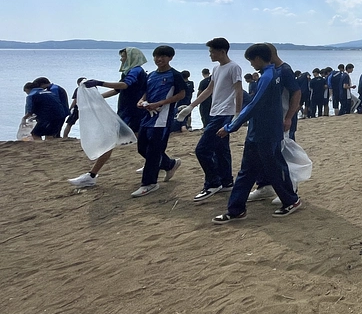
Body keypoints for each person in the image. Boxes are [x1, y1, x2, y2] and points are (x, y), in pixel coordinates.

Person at [212, 44, 302, 223]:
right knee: (247, 171)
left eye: (251, 60)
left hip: (267, 132)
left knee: (274, 168)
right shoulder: (270, 74)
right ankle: (236, 209)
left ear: (259, 58)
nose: (251, 64)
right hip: (258, 130)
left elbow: (255, 104)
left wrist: (231, 126)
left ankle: (291, 200)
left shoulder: (269, 76)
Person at [67, 47, 150, 189]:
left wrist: (99, 83)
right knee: (140, 142)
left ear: (131, 57)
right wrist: (96, 98)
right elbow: (117, 90)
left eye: (123, 57)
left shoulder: (135, 71)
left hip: (133, 113)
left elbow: (124, 85)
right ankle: (160, 163)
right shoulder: (131, 71)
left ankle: (91, 176)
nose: (121, 59)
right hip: (128, 112)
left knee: (114, 141)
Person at [178, 37, 243, 203]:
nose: (210, 55)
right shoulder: (216, 69)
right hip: (215, 112)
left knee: (202, 150)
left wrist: (237, 114)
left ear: (222, 51)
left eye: (212, 51)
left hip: (224, 113)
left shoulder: (234, 67)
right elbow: (209, 90)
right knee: (221, 149)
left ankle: (213, 183)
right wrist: (190, 107)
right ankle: (226, 181)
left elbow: (238, 90)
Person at [130, 45, 185, 198]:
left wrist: (161, 103)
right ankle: (169, 164)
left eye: (163, 56)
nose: (159, 59)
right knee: (142, 148)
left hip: (162, 118)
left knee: (154, 151)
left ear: (170, 58)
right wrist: (141, 101)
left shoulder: (175, 75)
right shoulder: (152, 75)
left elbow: (181, 94)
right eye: (156, 56)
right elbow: (146, 92)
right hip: (148, 116)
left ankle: (149, 183)